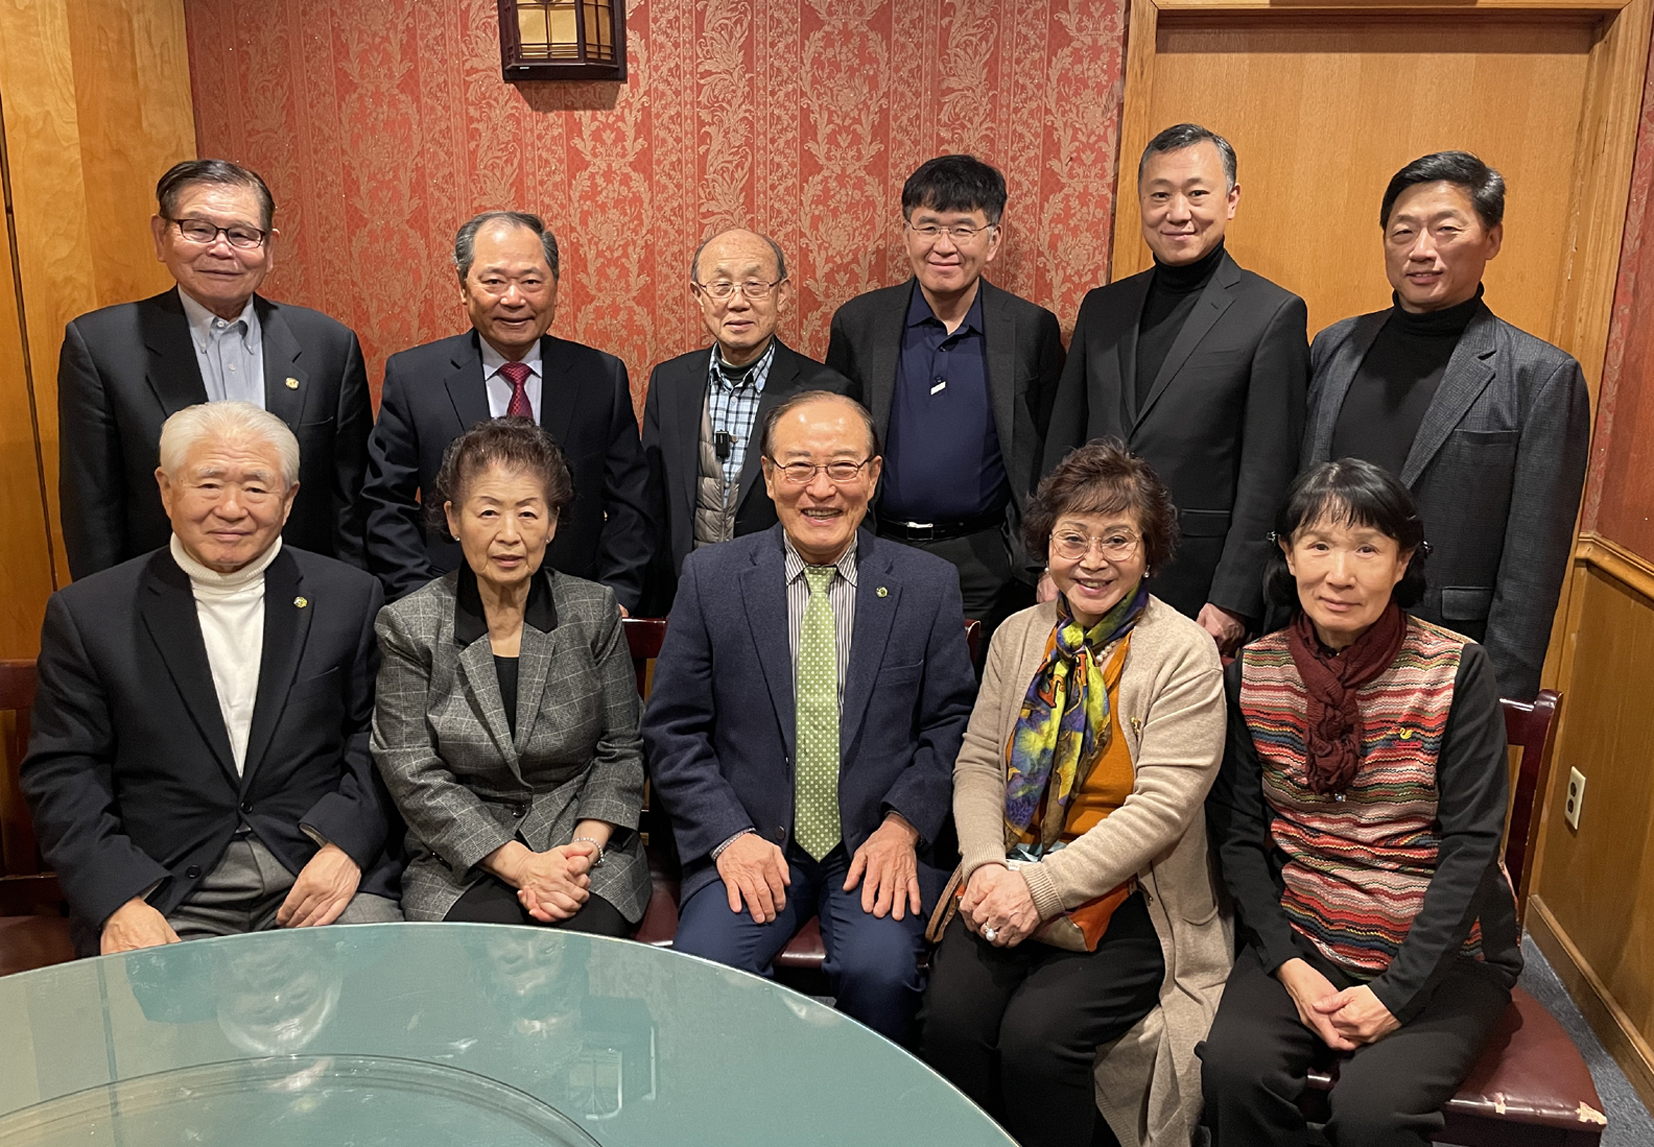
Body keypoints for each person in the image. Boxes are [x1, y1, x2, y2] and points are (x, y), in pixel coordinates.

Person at [1201, 458, 1523, 1146]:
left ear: (1404, 561)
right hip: (1307, 929)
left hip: (1443, 949)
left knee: (1373, 1114)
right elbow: (1236, 837)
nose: (1339, 574)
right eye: (1318, 545)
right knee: (1234, 1070)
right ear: (1287, 555)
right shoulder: (1253, 671)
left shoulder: (1456, 668)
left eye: (1368, 548)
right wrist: (1287, 963)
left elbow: (1472, 847)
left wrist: (1396, 994)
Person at [920, 440, 1230, 1147]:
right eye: (1074, 538)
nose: (1093, 560)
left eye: (1118, 539)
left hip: (1132, 898)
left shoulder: (1182, 653)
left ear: (1150, 553)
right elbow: (976, 765)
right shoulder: (1016, 635)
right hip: (1007, 874)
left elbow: (1162, 809)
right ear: (1046, 547)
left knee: (1039, 1037)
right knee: (950, 1022)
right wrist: (990, 866)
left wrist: (1039, 888)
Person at [643, 391, 977, 1042]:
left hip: (873, 843)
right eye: (798, 466)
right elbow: (672, 729)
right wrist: (727, 835)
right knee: (706, 969)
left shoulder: (926, 584)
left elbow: (951, 724)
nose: (820, 489)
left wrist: (904, 825)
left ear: (874, 476)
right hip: (749, 839)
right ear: (768, 477)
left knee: (882, 973)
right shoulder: (713, 577)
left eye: (843, 467)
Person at [21, 402, 402, 955]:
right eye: (208, 484)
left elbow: (380, 737)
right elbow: (63, 773)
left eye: (255, 487)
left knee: (381, 992)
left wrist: (346, 846)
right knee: (163, 1025)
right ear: (166, 489)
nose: (231, 508)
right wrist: (119, 900)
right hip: (164, 887)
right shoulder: (89, 613)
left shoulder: (348, 596)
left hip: (315, 870)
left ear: (289, 499)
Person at [1302, 151, 1590, 701]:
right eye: (1402, 231)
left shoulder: (1542, 377)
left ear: (1492, 239)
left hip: (1450, 655)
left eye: (1446, 230)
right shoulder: (1335, 346)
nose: (1421, 250)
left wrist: (1502, 697)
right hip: (1319, 640)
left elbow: (1533, 562)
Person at [372, 419, 651, 934]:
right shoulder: (409, 626)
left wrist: (580, 853)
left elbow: (621, 750)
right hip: (463, 856)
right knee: (493, 956)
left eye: (528, 513)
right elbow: (411, 771)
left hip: (584, 848)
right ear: (454, 520)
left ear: (551, 522)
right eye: (487, 512)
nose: (508, 534)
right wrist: (521, 866)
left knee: (581, 948)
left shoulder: (592, 612)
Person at [1042, 124, 1308, 652]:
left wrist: (1234, 597)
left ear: (1231, 200)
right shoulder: (1104, 306)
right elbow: (1063, 448)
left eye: (1197, 192)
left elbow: (1267, 471)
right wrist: (1049, 561)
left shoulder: (1272, 313)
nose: (1178, 211)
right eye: (1160, 194)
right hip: (1090, 574)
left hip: (1198, 584)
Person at [57, 159, 373, 578]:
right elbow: (92, 506)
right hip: (162, 593)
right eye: (199, 229)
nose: (221, 249)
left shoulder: (328, 344)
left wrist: (355, 602)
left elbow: (348, 500)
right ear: (161, 236)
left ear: (269, 247)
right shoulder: (101, 347)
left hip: (301, 591)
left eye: (242, 234)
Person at [363, 211, 652, 611]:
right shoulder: (414, 378)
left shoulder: (601, 376)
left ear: (554, 288)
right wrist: (421, 601)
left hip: (573, 610)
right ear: (464, 288)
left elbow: (631, 503)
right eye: (494, 281)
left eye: (531, 281)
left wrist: (616, 595)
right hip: (451, 607)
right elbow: (384, 502)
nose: (513, 298)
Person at [826, 155, 1064, 639]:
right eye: (928, 227)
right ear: (907, 233)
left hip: (989, 561)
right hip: (877, 548)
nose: (943, 246)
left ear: (992, 239)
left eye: (962, 229)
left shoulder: (1029, 328)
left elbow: (1051, 454)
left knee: (976, 706)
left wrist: (1046, 560)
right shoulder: (860, 323)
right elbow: (834, 440)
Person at [640, 228, 851, 614]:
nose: (737, 302)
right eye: (721, 286)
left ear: (782, 294)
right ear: (698, 295)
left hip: (788, 601)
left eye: (754, 285)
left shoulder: (825, 391)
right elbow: (651, 502)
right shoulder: (670, 382)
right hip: (686, 599)